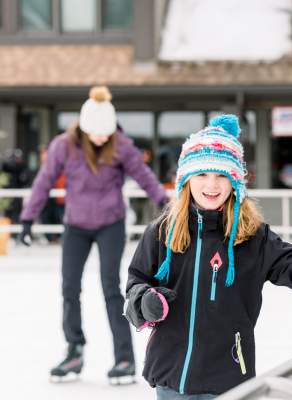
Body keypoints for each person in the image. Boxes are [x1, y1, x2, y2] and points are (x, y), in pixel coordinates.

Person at [123, 114, 292, 400]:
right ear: (186, 179)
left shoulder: (252, 238)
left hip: (227, 380)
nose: (212, 185)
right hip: (169, 379)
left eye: (221, 175)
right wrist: (145, 301)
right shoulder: (163, 232)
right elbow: (135, 283)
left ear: (235, 182)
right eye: (202, 174)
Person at [19, 86, 169, 385]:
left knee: (111, 288)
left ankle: (124, 357)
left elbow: (144, 177)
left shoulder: (122, 145)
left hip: (110, 224)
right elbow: (44, 180)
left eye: (106, 133)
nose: (101, 138)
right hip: (76, 225)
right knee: (69, 287)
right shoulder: (64, 145)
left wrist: (167, 206)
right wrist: (27, 217)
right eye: (96, 133)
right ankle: (74, 349)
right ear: (84, 128)